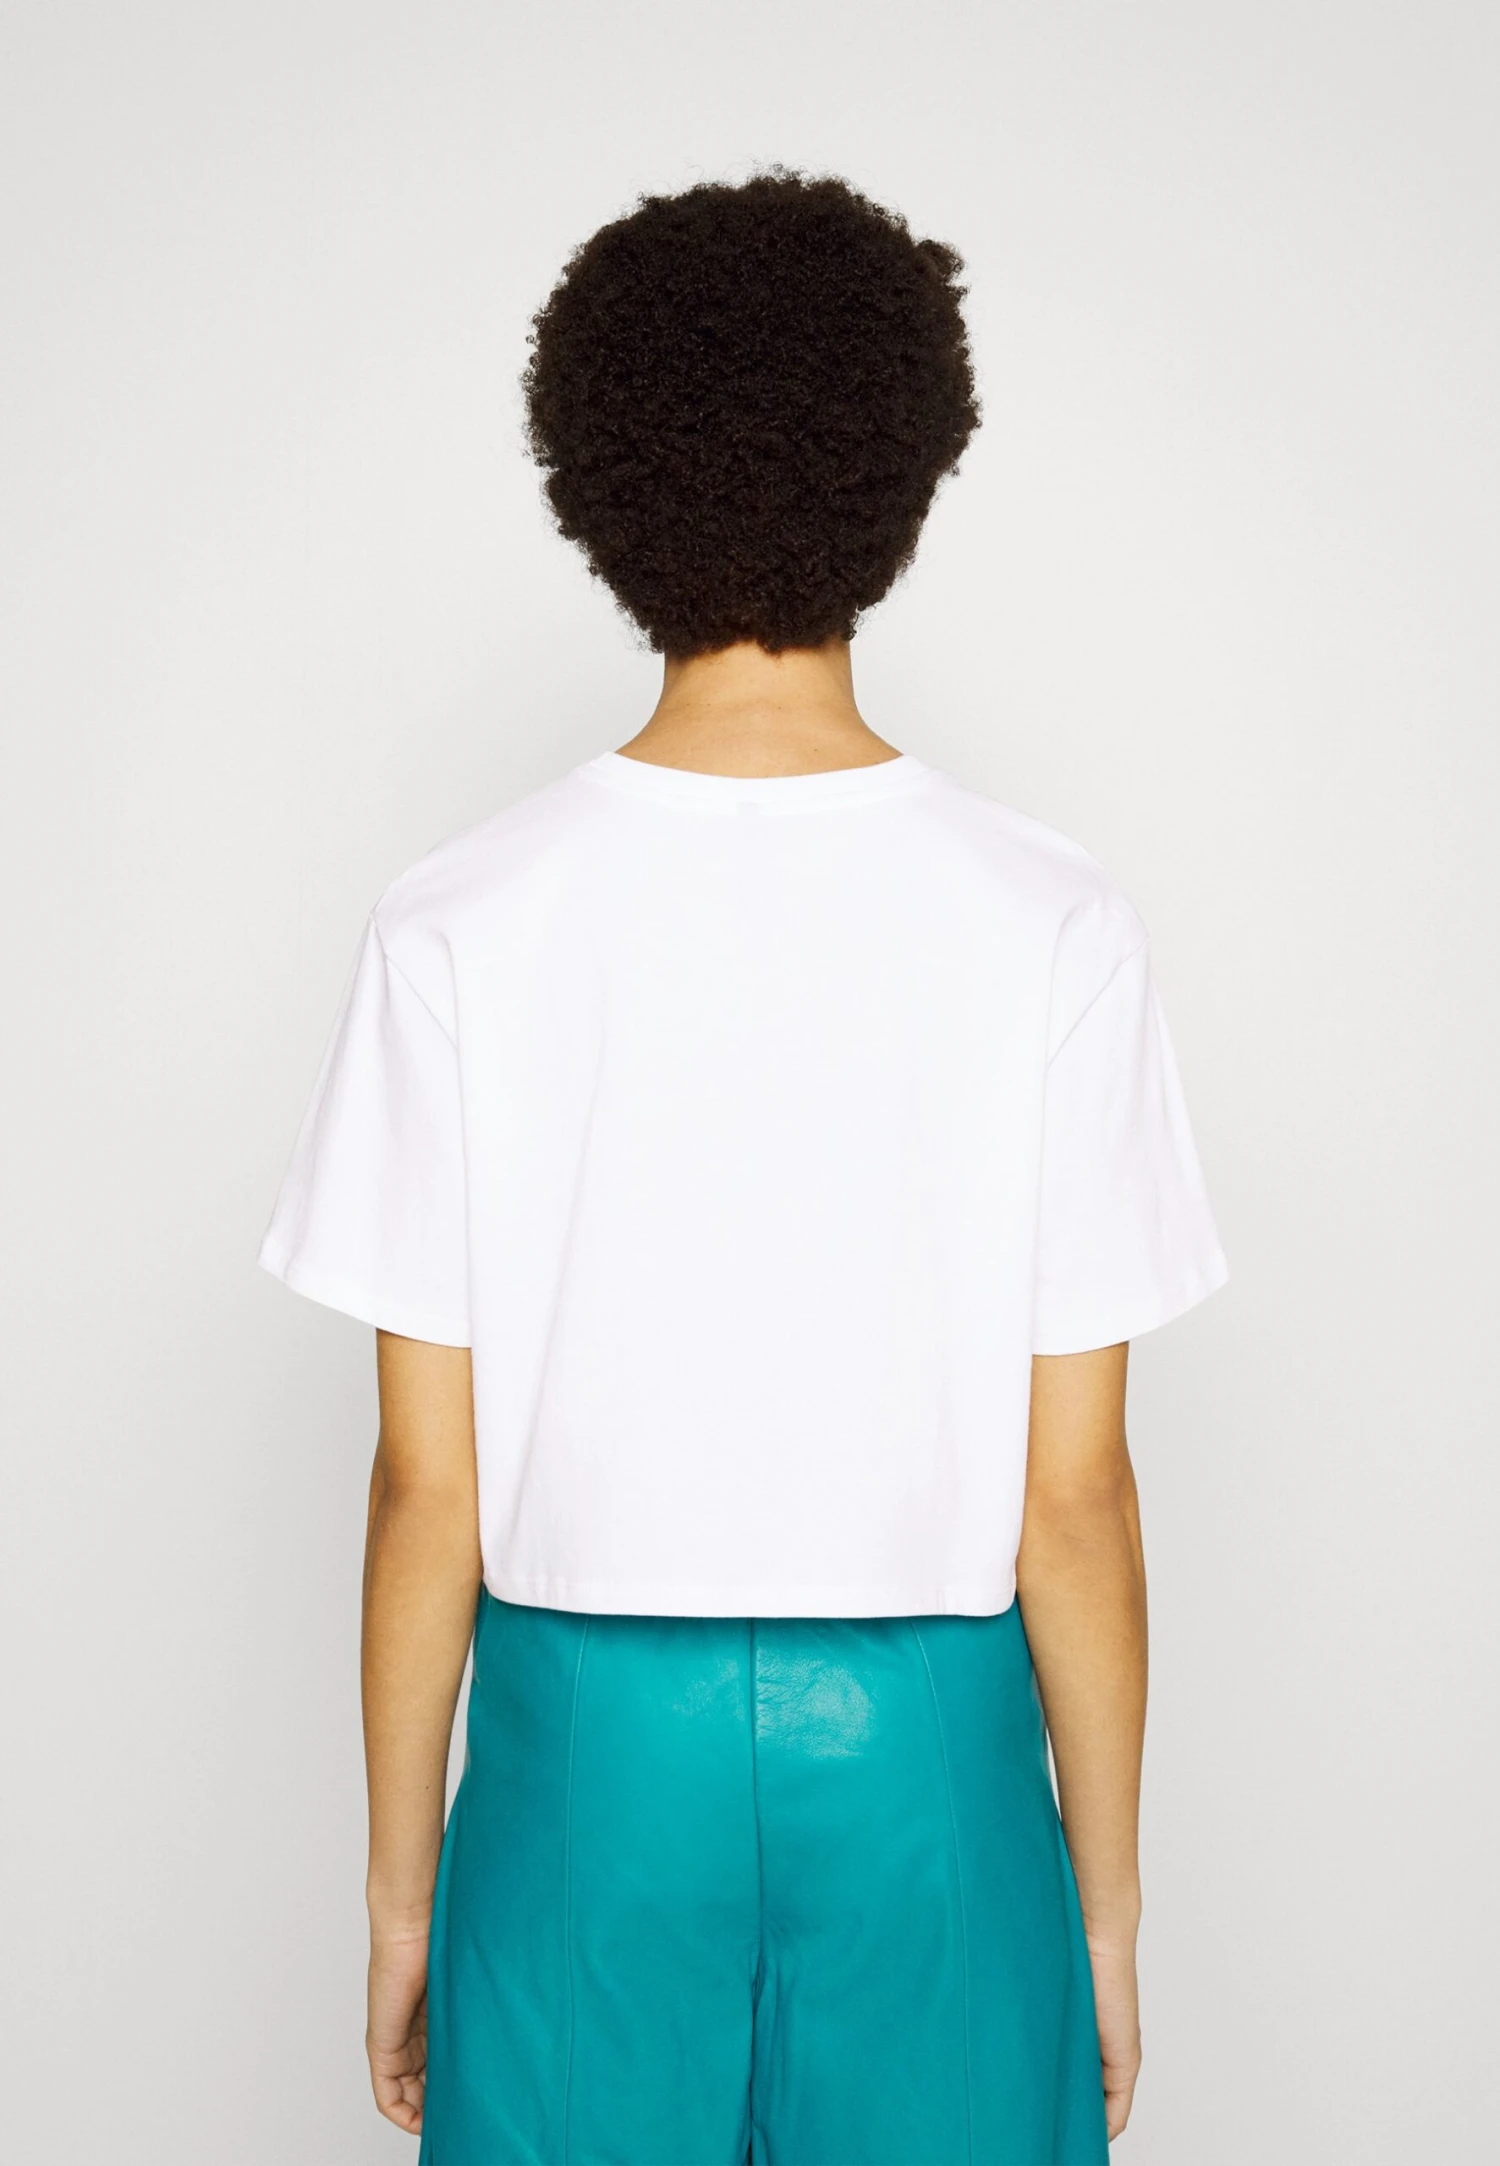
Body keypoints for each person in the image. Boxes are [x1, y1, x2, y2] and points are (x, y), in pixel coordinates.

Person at [259, 169, 1228, 2165]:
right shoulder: (1051, 921)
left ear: (595, 482)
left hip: (579, 1772)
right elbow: (1075, 1494)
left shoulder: (458, 921)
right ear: (911, 469)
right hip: (935, 1766)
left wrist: (402, 1901)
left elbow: (427, 1483)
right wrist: (1108, 1915)